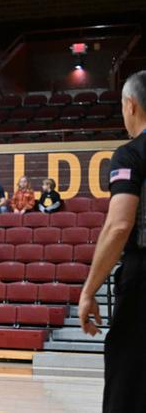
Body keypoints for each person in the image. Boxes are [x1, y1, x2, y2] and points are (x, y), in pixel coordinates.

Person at [79, 70, 146, 413]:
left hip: (142, 278)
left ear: (130, 105)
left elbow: (119, 226)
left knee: (128, 379)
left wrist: (89, 290)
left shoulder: (131, 153)